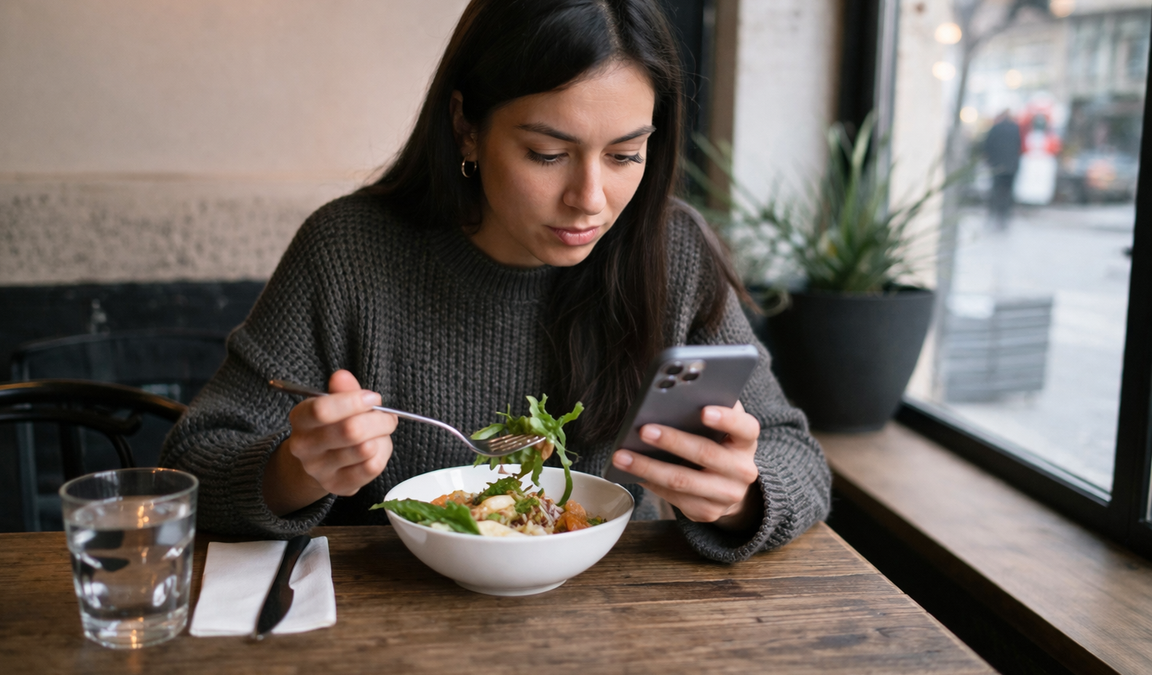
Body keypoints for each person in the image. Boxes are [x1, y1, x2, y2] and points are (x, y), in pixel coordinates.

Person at [160, 0, 830, 563]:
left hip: (621, 628)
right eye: (547, 153)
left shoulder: (671, 249)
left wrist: (741, 494)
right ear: (466, 127)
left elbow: (798, 457)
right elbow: (192, 463)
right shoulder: (350, 251)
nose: (590, 198)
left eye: (626, 153)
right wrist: (294, 470)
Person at [982, 110, 1022, 230]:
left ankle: (993, 212)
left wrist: (989, 160)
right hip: (1011, 165)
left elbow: (987, 145)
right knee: (1008, 191)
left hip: (997, 165)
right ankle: (1004, 214)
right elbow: (1018, 146)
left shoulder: (996, 128)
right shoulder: (1015, 129)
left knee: (995, 189)